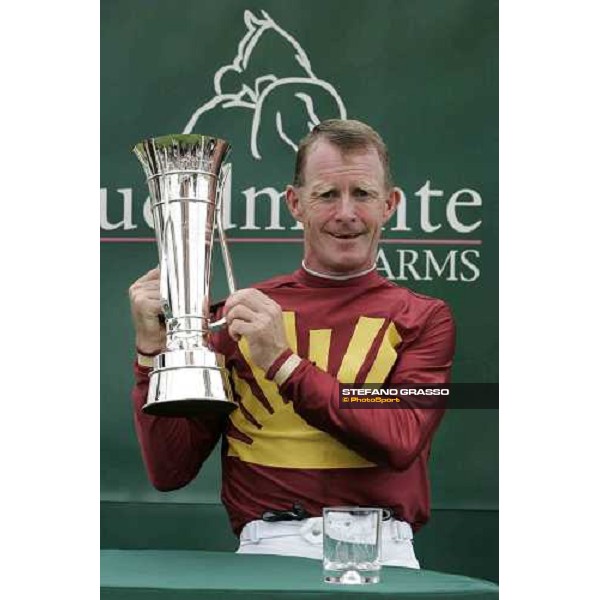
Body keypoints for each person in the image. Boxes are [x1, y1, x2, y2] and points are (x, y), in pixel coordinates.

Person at [129, 119, 455, 568]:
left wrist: (282, 363)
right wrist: (152, 354)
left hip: (382, 551)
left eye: (361, 193)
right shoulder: (239, 318)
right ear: (295, 203)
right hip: (268, 548)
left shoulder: (425, 318)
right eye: (326, 195)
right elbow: (170, 471)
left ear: (389, 204)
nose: (346, 213)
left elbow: (399, 436)